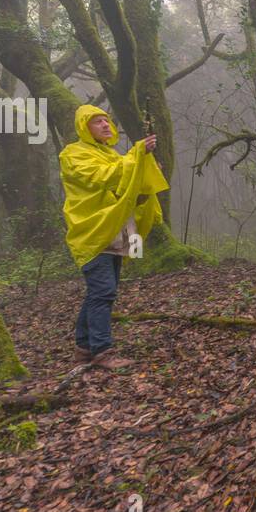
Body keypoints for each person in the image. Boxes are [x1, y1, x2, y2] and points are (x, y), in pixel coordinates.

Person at [59, 105, 169, 368]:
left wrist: (146, 170)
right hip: (92, 233)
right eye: (98, 122)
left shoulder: (111, 155)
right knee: (103, 291)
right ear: (84, 127)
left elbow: (128, 193)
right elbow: (103, 178)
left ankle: (83, 348)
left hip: (115, 232)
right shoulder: (73, 154)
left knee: (99, 292)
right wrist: (137, 155)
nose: (106, 126)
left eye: (106, 121)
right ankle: (102, 352)